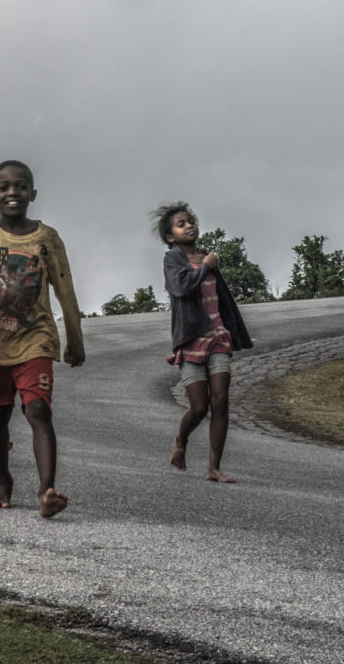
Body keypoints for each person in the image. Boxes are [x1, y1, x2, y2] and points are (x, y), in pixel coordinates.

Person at [0, 160, 85, 517]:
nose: (13, 193)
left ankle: (46, 490)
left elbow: (65, 289)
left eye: (21, 186)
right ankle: (3, 480)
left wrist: (75, 339)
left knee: (38, 409)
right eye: (5, 187)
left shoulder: (48, 237)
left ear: (33, 194)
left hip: (34, 338)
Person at [155, 201, 252, 483]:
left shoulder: (206, 255)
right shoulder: (173, 259)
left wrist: (233, 330)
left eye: (191, 221)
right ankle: (181, 439)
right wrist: (205, 267)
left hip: (217, 336)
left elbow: (222, 297)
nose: (189, 226)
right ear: (170, 236)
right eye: (181, 224)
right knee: (199, 408)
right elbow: (182, 287)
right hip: (191, 340)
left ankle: (213, 468)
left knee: (220, 400)